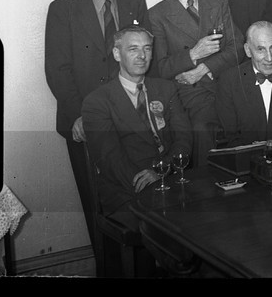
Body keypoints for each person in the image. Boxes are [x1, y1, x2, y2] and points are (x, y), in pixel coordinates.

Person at [45, 0, 148, 246]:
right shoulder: (63, 8)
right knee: (99, 207)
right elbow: (58, 70)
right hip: (83, 122)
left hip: (130, 117)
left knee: (138, 195)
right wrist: (79, 115)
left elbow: (143, 57)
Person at [81, 25, 192, 232]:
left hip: (168, 179)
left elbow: (183, 139)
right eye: (133, 49)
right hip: (127, 190)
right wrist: (149, 186)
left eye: (147, 49)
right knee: (168, 230)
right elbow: (110, 159)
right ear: (116, 53)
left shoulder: (166, 89)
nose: (142, 56)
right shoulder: (97, 101)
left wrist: (162, 171)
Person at [147, 0, 245, 165]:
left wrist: (203, 68)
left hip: (228, 84)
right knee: (204, 131)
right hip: (191, 95)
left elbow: (238, 47)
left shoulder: (218, 3)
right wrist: (193, 54)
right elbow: (160, 68)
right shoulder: (157, 15)